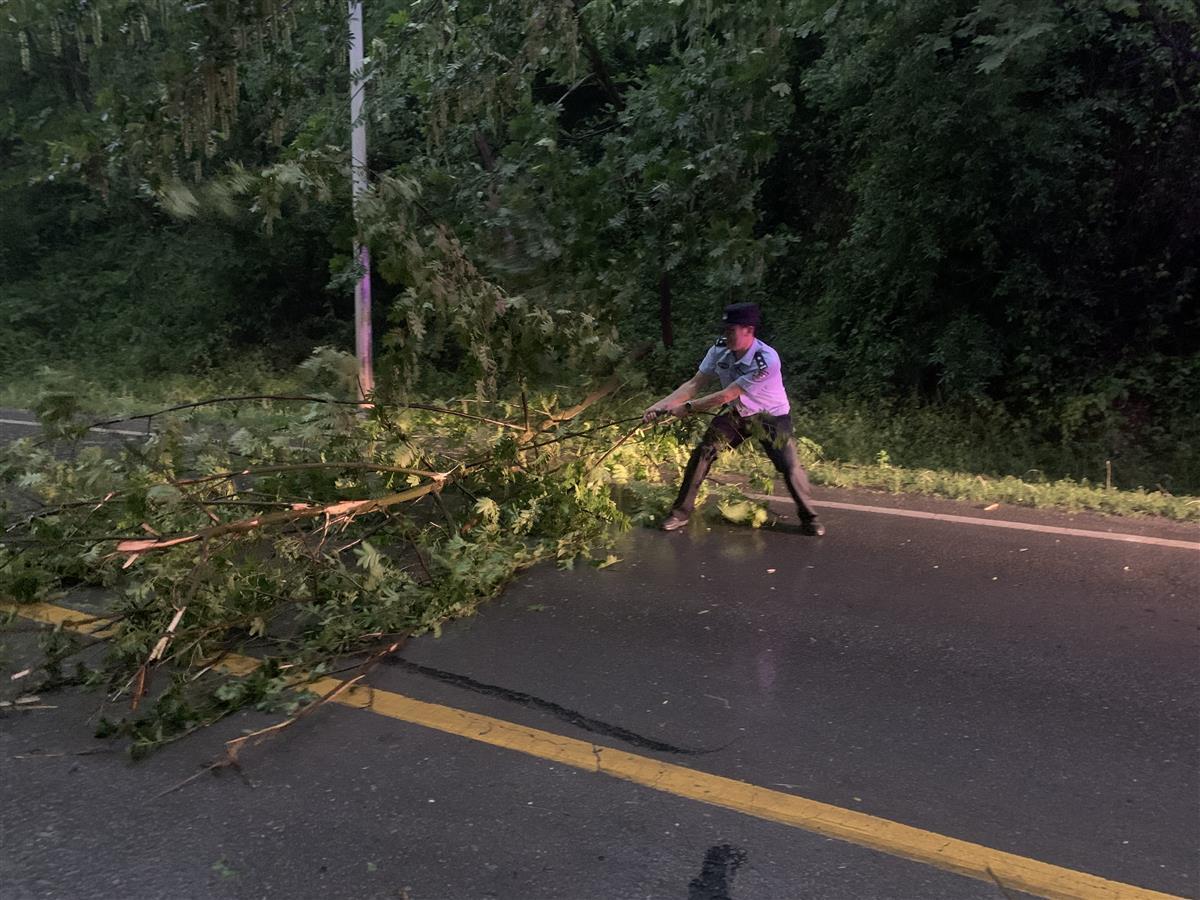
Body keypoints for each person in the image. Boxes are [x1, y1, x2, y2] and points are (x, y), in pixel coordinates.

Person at [642, 302, 825, 536]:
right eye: (724, 330)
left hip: (771, 416)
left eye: (731, 330)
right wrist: (659, 406)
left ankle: (810, 518)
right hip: (738, 413)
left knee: (789, 466)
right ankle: (680, 514)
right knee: (704, 452)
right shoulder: (719, 349)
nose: (725, 335)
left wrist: (687, 408)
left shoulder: (766, 359)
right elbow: (694, 384)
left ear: (748, 330)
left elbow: (726, 395)